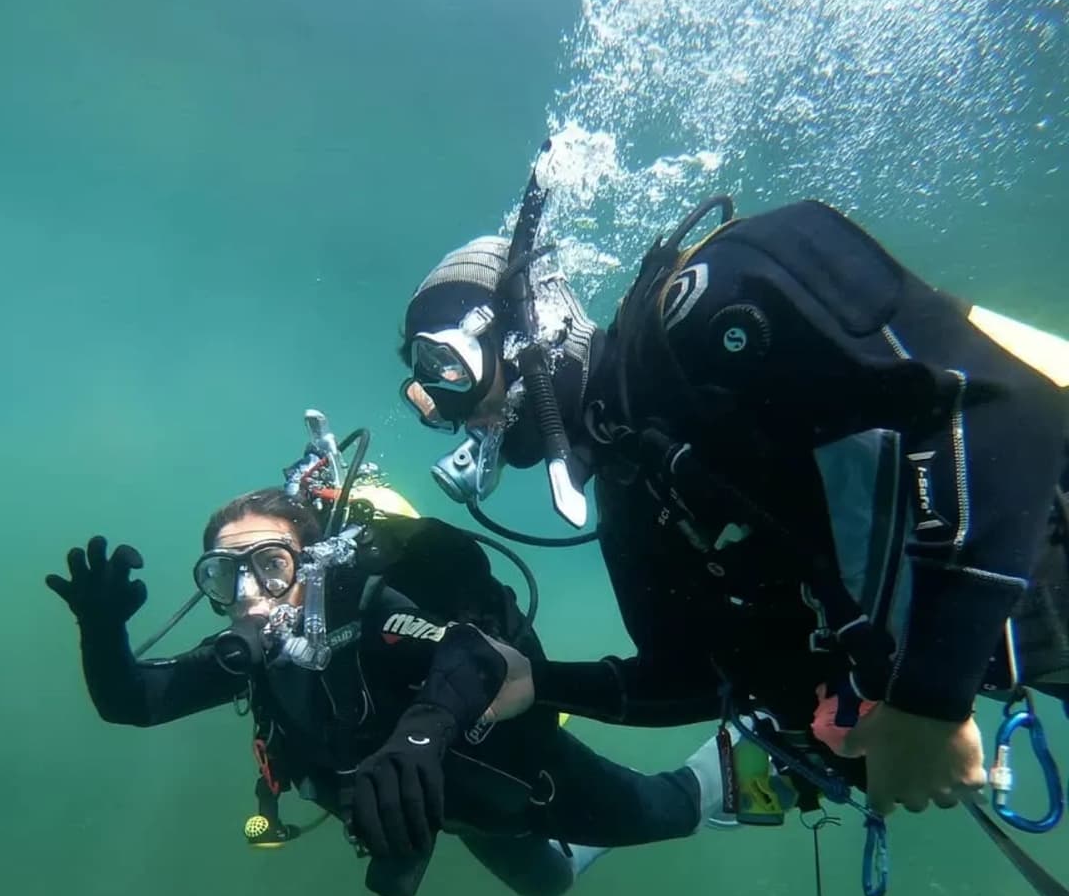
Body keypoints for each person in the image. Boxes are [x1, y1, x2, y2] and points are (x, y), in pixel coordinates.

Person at [394, 144, 1069, 825]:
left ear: (525, 330)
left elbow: (1011, 408)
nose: (452, 413)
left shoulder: (716, 298)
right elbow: (703, 679)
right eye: (425, 390)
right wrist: (537, 681)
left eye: (446, 366)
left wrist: (930, 700)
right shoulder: (633, 495)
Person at [46, 416, 738, 896]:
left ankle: (740, 750)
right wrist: (101, 631)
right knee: (550, 887)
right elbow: (133, 701)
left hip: (519, 773)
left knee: (662, 811)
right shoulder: (248, 654)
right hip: (449, 810)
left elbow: (476, 650)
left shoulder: (370, 602)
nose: (250, 594)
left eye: (269, 564)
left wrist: (421, 736)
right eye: (226, 577)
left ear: (314, 566)